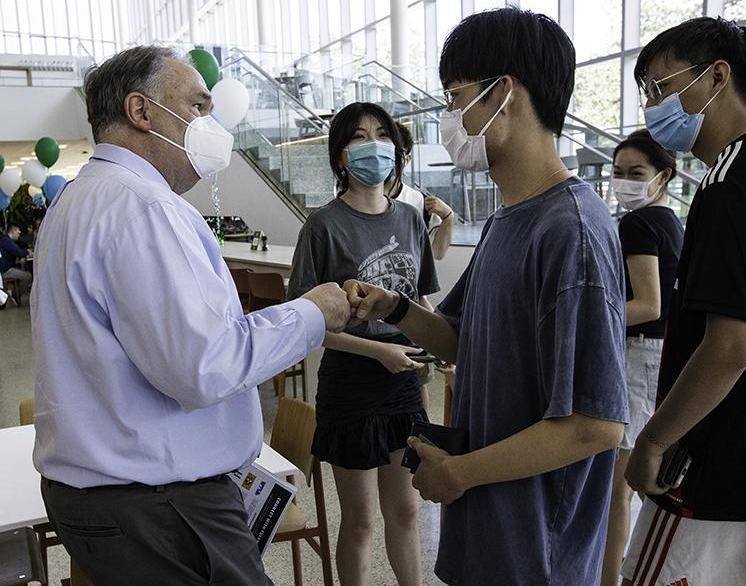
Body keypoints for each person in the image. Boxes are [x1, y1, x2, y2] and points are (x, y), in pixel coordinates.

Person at [31, 45, 351, 586]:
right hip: (161, 504)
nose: (210, 124)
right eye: (198, 107)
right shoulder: (145, 208)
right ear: (142, 111)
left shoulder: (77, 201)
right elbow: (204, 366)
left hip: (106, 496)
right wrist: (311, 314)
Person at [343, 8, 629, 585]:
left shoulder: (570, 231)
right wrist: (395, 307)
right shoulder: (509, 220)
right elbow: (459, 338)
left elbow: (595, 424)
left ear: (505, 92)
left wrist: (463, 473)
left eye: (455, 96)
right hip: (491, 538)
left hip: (537, 550)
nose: (449, 116)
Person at [622, 18, 746, 586]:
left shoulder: (733, 177)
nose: (652, 105)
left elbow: (730, 345)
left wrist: (654, 441)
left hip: (720, 475)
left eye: (658, 86)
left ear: (717, 76)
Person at [288, 102, 439, 586]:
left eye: (381, 134)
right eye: (358, 136)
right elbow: (304, 323)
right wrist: (379, 352)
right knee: (361, 520)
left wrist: (442, 348)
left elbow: (422, 304)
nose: (372, 144)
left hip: (405, 384)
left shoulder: (412, 221)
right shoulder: (322, 226)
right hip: (352, 384)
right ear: (339, 156)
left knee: (407, 510)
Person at [601, 130, 684, 586]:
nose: (624, 182)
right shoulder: (670, 220)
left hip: (639, 355)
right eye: (618, 173)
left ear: (663, 176)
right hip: (660, 355)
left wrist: (592, 321)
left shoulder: (638, 224)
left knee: (618, 488)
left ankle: (611, 579)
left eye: (636, 173)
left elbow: (647, 305)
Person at [384, 122, 454, 260]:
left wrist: (448, 217)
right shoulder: (355, 200)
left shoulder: (419, 202)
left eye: (394, 153)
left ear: (407, 159)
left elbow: (437, 253)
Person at [0, 224, 33, 298]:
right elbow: (17, 251)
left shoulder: (5, 240)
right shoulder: (6, 240)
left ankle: (15, 293)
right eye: (18, 233)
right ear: (13, 231)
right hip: (5, 270)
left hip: (6, 268)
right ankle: (15, 294)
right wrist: (27, 252)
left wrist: (23, 254)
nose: (19, 234)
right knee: (28, 276)